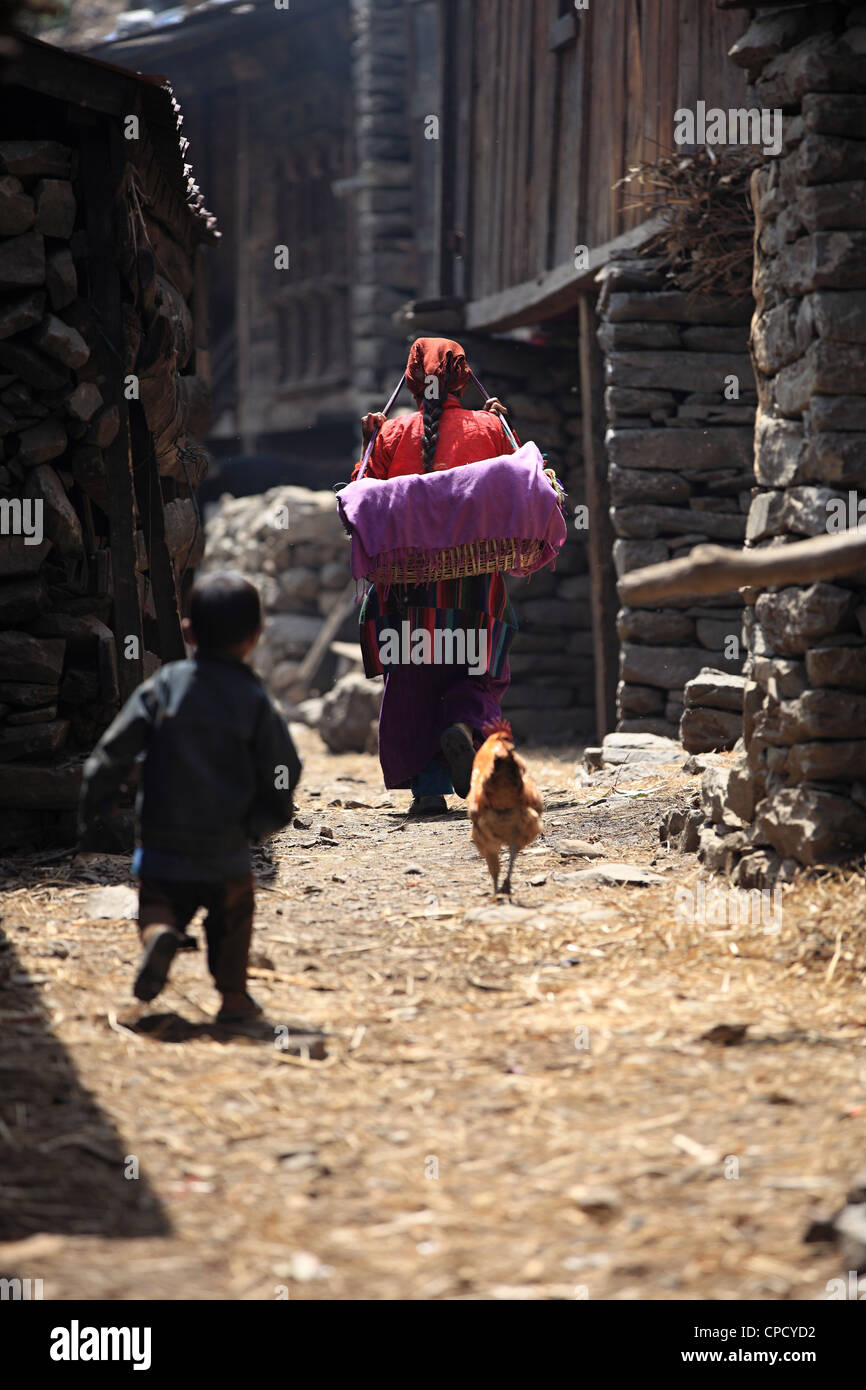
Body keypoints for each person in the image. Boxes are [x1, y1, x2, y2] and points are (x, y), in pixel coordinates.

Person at [78, 571, 301, 1023]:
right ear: (256, 636)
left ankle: (161, 932)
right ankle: (234, 997)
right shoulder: (255, 700)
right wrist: (262, 822)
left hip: (163, 842)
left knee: (157, 900)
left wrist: (94, 810)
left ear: (188, 632)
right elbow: (285, 769)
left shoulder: (163, 686)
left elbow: (108, 755)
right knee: (233, 915)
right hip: (227, 848)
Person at [352, 336, 518, 817]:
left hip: (405, 592)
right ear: (462, 378)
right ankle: (465, 728)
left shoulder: (389, 436)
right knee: (480, 666)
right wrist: (503, 425)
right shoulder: (489, 428)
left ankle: (427, 790)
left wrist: (369, 445)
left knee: (412, 679)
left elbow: (362, 505)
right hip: (475, 585)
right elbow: (528, 482)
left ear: (408, 381)